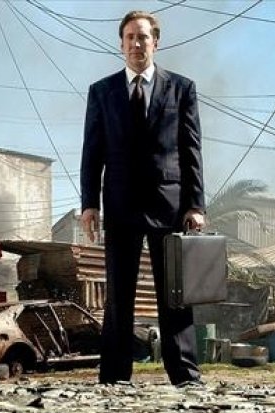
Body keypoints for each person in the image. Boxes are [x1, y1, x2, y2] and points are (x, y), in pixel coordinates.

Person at [79, 10, 206, 387]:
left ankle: (185, 374)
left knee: (175, 293)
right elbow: (92, 151)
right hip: (120, 204)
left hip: (171, 204)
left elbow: (191, 150)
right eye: (130, 37)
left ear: (156, 42)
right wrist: (89, 203)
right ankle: (115, 375)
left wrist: (196, 205)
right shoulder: (102, 92)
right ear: (121, 44)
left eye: (143, 37)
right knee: (119, 293)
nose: (137, 44)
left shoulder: (182, 88)